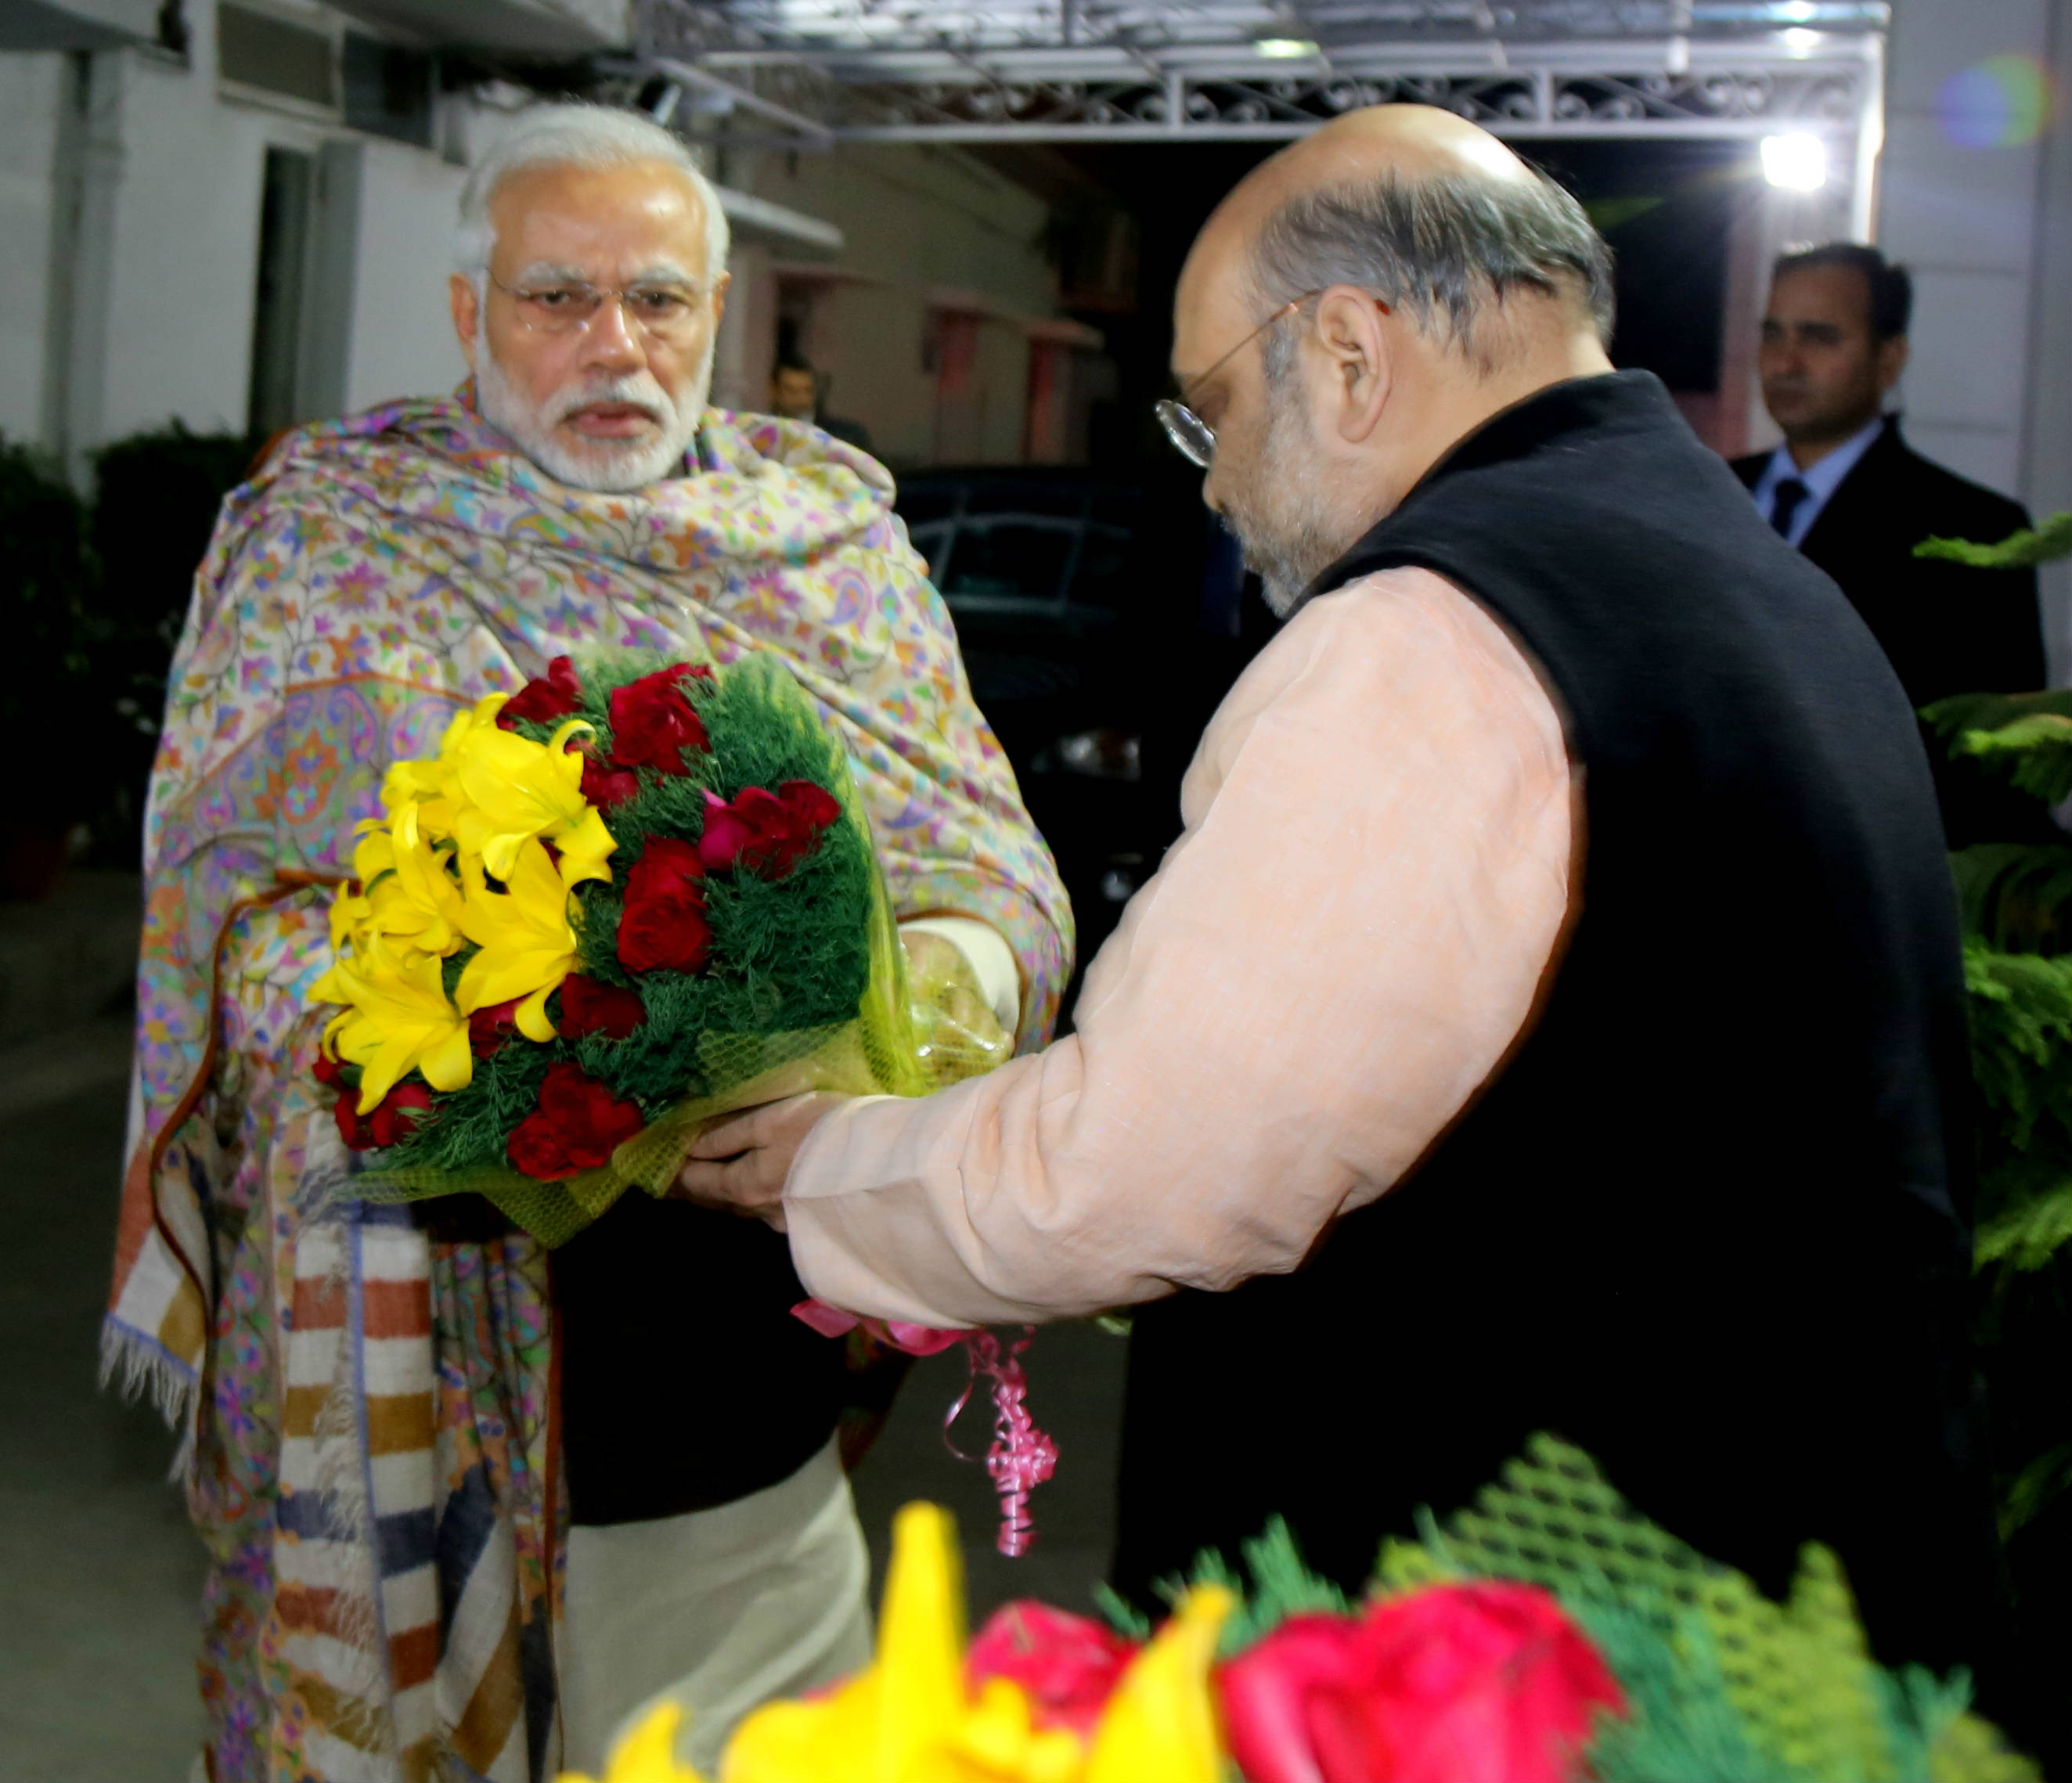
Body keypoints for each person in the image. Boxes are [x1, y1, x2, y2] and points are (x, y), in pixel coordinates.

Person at [678, 104, 2014, 1716]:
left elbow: (1142, 1165)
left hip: (1525, 1634)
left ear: (1351, 354)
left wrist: (818, 1162)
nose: (1216, 479)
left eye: (1216, 411)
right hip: (1786, 1582)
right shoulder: (1738, 569)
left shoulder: (1435, 633)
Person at [103, 103, 1069, 1783]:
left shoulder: (832, 550)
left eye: (660, 300)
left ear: (720, 318)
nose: (614, 345)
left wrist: (927, 1005)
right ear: (472, 316)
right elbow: (225, 904)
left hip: (726, 1397)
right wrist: (502, 1022)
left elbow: (988, 860)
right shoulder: (331, 535)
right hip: (416, 1332)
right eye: (558, 298)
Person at [1733, 243, 2045, 841]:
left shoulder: (1971, 529)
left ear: (1888, 358)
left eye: (1820, 337)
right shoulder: (1708, 494)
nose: (1785, 361)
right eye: (1773, 334)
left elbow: (1994, 759)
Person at [770, 352, 874, 452]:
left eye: (808, 390)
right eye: (792, 391)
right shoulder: (761, 432)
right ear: (773, 390)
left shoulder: (847, 437)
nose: (801, 399)